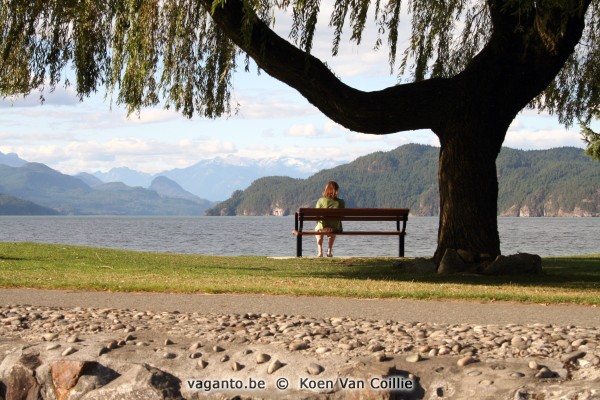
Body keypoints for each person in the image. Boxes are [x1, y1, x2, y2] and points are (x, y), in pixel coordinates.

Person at [315, 181, 345, 257]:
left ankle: (320, 251)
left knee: (318, 228)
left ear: (326, 190)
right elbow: (342, 216)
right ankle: (329, 251)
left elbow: (316, 215)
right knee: (333, 227)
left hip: (322, 228)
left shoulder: (321, 200)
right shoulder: (341, 202)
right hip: (334, 228)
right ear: (336, 190)